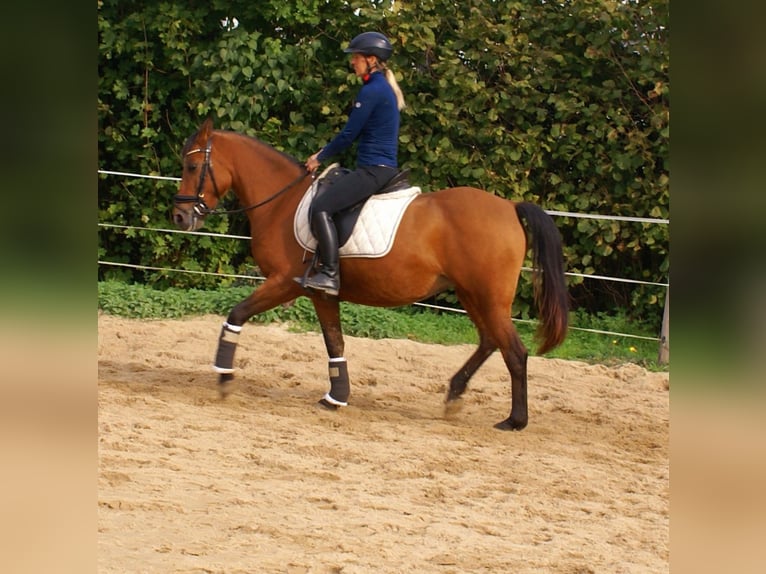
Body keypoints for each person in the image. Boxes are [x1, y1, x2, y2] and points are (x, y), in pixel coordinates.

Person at [297, 31, 406, 296]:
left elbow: (348, 135)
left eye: (356, 58)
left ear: (371, 60)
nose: (352, 63)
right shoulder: (382, 88)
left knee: (321, 207)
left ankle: (330, 275)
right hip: (377, 168)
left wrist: (318, 157)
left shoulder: (372, 90)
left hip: (373, 171)